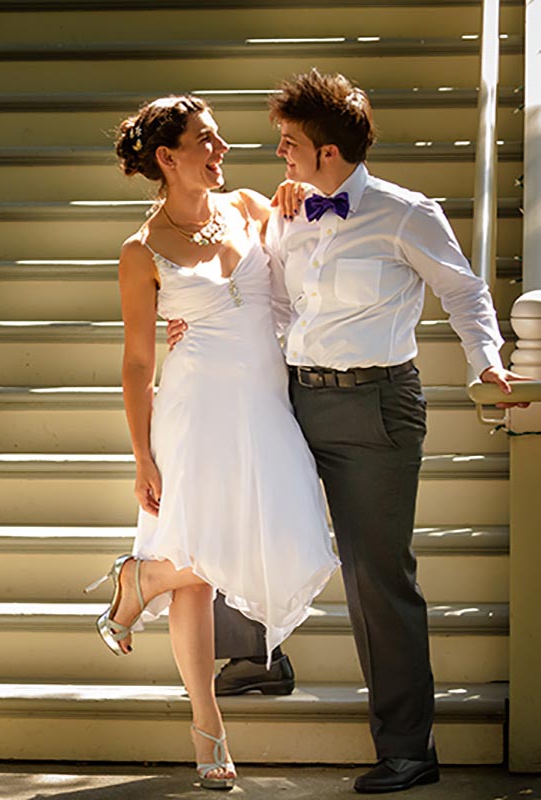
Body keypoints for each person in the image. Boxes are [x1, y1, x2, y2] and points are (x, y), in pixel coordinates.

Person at [170, 69, 529, 794]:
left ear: (327, 152)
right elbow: (266, 300)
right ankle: (256, 659)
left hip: (376, 407)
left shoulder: (406, 214)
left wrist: (486, 362)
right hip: (294, 395)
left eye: (288, 143)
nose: (277, 155)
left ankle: (406, 749)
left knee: (374, 577)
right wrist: (200, 324)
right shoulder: (286, 213)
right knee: (243, 514)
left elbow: (462, 292)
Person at [85, 94, 340, 791]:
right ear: (167, 159)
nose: (221, 151)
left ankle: (142, 578)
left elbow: (306, 265)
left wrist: (302, 195)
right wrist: (140, 453)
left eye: (219, 138)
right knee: (198, 573)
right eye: (205, 140)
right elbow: (137, 361)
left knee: (266, 542)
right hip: (193, 413)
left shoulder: (254, 207)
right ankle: (207, 732)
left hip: (263, 407)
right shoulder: (139, 253)